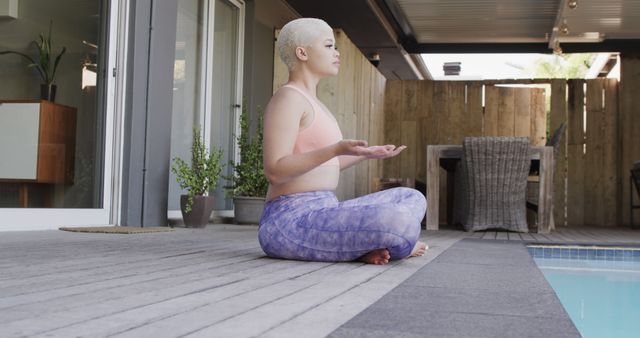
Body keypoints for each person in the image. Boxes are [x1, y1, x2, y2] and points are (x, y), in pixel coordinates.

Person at [258, 18, 427, 265]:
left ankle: (363, 248)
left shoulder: (315, 102)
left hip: (325, 210)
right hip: (289, 221)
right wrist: (335, 149)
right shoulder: (288, 99)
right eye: (328, 46)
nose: (337, 53)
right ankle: (391, 246)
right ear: (302, 52)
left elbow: (324, 164)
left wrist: (365, 154)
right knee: (399, 223)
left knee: (412, 198)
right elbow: (275, 170)